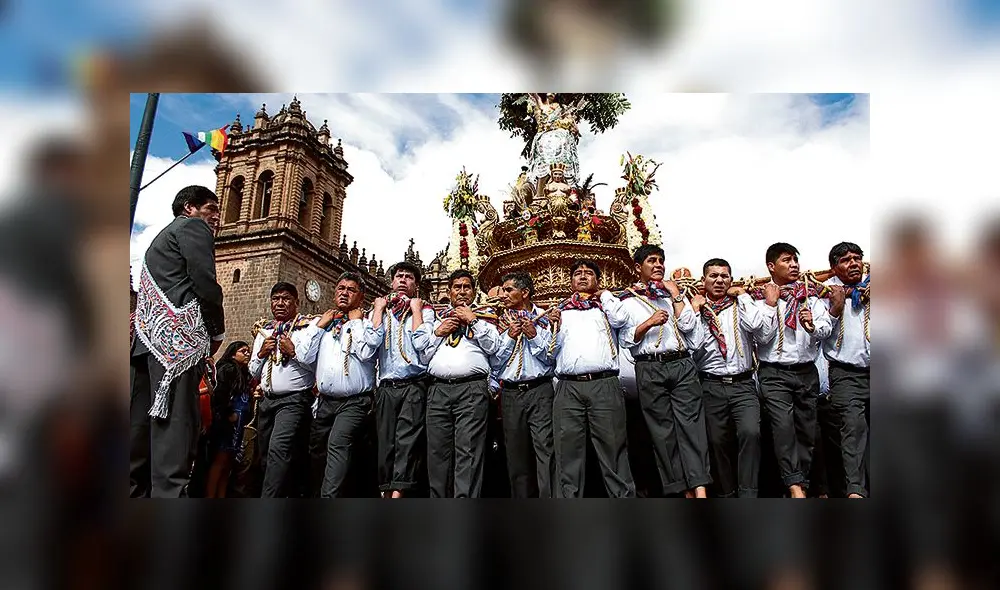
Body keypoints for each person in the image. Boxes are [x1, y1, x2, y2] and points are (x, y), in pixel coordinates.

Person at [130, 185, 225, 498]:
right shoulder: (192, 227)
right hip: (176, 347)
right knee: (175, 430)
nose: (217, 217)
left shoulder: (158, 241)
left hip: (145, 344)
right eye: (211, 208)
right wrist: (216, 331)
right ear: (190, 207)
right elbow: (205, 281)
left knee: (139, 431)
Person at [618, 245, 711, 498]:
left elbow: (691, 330)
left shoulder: (674, 294)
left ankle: (700, 490)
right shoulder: (626, 300)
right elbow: (627, 338)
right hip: (649, 366)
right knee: (662, 432)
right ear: (638, 268)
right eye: (652, 261)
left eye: (661, 260)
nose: (658, 265)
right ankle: (681, 491)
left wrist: (678, 297)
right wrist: (649, 323)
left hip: (681, 363)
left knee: (692, 428)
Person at [749, 243, 833, 498]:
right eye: (787, 260)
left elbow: (826, 329)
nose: (794, 264)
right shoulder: (757, 299)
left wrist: (812, 326)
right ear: (771, 267)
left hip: (806, 371)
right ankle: (794, 486)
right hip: (774, 373)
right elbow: (761, 338)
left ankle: (803, 484)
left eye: (796, 260)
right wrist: (770, 306)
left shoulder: (811, 296)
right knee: (783, 429)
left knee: (807, 431)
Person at [547, 259, 635, 498]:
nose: (583, 277)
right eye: (577, 273)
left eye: (589, 273)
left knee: (613, 448)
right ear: (571, 281)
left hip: (604, 384)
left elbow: (621, 320)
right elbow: (548, 352)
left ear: (598, 280)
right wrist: (549, 325)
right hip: (568, 387)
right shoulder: (560, 311)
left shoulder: (606, 307)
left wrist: (604, 295)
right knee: (568, 453)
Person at [690, 258, 778, 498]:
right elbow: (693, 343)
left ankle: (748, 493)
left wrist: (743, 296)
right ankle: (727, 493)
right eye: (713, 276)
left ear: (731, 280)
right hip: (710, 384)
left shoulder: (740, 305)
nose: (719, 280)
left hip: (743, 384)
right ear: (703, 280)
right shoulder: (697, 309)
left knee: (751, 433)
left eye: (724, 276)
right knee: (717, 442)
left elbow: (760, 328)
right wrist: (696, 310)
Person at [412, 269, 502, 498]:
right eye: (457, 287)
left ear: (474, 292)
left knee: (469, 451)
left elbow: (495, 348)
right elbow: (423, 356)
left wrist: (472, 320)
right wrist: (438, 333)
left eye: (466, 287)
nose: (462, 291)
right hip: (438, 389)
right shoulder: (437, 319)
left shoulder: (486, 317)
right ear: (450, 292)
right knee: (437, 453)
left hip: (471, 390)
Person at [309, 272, 381, 498]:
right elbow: (304, 355)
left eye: (351, 290)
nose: (344, 293)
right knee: (318, 451)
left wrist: (356, 322)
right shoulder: (323, 324)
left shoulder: (368, 323)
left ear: (362, 296)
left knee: (338, 443)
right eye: (341, 288)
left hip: (354, 402)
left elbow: (367, 351)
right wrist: (319, 326)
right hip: (324, 402)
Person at [248, 282, 323, 498]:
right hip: (267, 401)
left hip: (293, 401)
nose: (280, 303)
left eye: (286, 299)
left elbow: (313, 364)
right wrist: (262, 353)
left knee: (278, 450)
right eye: (276, 299)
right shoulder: (264, 331)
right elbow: (253, 372)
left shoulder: (307, 328)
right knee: (265, 455)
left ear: (297, 302)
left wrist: (294, 351)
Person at [370, 261, 436, 498]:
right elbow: (370, 345)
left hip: (413, 384)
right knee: (386, 441)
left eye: (408, 277)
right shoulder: (381, 311)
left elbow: (423, 344)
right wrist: (378, 310)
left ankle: (399, 494)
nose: (402, 280)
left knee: (407, 442)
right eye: (398, 276)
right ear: (391, 281)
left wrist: (416, 310)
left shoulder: (426, 311)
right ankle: (385, 491)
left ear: (416, 285)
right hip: (387, 385)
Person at [493, 272, 556, 498]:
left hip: (540, 390)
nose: (503, 296)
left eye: (508, 290)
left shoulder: (547, 319)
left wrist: (534, 335)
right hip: (511, 394)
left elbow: (552, 358)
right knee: (516, 454)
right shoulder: (499, 322)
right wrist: (509, 337)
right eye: (503, 291)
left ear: (525, 293)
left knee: (546, 450)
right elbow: (495, 361)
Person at [822, 242, 870, 498]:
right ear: (834, 268)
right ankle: (855, 492)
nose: (853, 263)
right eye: (846, 260)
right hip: (845, 374)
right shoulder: (823, 295)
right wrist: (835, 308)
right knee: (852, 429)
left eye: (857, 258)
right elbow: (818, 333)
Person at [204, 340, 252, 498]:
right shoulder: (228, 368)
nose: (247, 354)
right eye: (243, 351)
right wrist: (228, 414)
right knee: (220, 462)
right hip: (226, 424)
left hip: (237, 424)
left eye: (248, 351)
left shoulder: (243, 372)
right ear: (233, 353)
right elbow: (220, 395)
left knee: (228, 463)